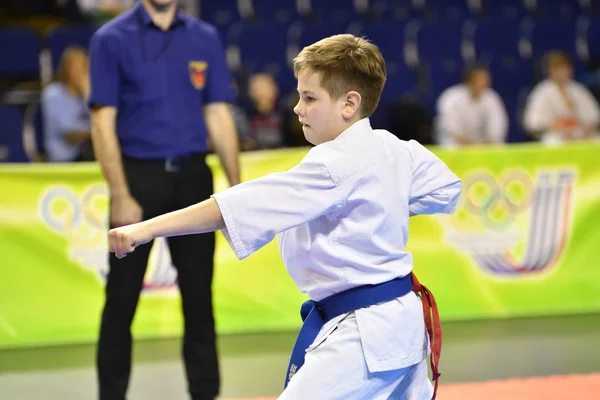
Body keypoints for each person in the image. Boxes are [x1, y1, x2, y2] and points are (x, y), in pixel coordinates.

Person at [108, 34, 461, 399]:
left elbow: (236, 205)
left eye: (309, 98)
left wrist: (144, 229)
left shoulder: (332, 166)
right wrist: (384, 201)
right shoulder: (393, 147)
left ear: (349, 103)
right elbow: (447, 188)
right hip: (403, 323)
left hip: (364, 336)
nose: (297, 108)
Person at [87, 0, 240, 399]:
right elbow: (101, 121)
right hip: (138, 178)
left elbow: (218, 114)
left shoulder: (204, 37)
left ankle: (206, 395)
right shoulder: (110, 39)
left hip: (193, 178)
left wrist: (237, 192)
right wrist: (120, 193)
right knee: (120, 303)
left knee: (199, 302)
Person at [523, 50, 600, 145]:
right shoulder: (542, 92)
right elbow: (532, 123)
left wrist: (585, 129)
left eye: (564, 68)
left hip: (580, 134)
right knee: (552, 141)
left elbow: (593, 117)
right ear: (549, 71)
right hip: (556, 134)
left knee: (597, 139)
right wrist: (556, 125)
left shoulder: (579, 90)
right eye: (556, 69)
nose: (561, 72)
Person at [41, 46, 94, 162]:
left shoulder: (88, 93)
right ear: (66, 69)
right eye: (76, 67)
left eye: (84, 67)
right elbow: (71, 137)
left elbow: (98, 121)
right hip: (65, 159)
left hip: (86, 155)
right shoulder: (53, 95)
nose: (80, 73)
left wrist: (88, 96)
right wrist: (99, 131)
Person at [435, 65, 508, 147]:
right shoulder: (451, 98)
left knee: (499, 145)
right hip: (458, 144)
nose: (484, 83)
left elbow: (497, 125)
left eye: (486, 79)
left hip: (484, 145)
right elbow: (451, 130)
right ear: (469, 81)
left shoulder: (492, 97)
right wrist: (472, 144)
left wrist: (487, 142)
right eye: (480, 79)